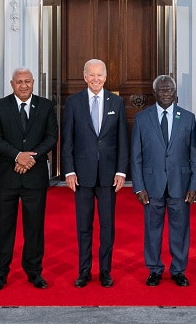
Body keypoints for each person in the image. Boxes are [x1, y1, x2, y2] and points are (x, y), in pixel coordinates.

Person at [0, 67, 58, 290]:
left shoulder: (46, 106)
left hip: (34, 177)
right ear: (12, 84)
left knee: (34, 228)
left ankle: (34, 271)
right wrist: (18, 156)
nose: (24, 85)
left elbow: (52, 137)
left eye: (28, 81)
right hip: (7, 176)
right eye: (19, 82)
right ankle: (0, 272)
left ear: (33, 82)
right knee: (2, 227)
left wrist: (30, 158)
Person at [61, 58, 128, 287]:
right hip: (82, 175)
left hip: (109, 175)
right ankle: (84, 271)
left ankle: (105, 271)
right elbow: (67, 139)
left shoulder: (116, 103)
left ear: (106, 77)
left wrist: (121, 171)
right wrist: (68, 170)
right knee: (84, 225)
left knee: (107, 225)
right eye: (92, 75)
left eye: (100, 75)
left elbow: (122, 140)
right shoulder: (73, 102)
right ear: (85, 76)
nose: (96, 79)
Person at [130, 74, 196, 287]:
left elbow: (195, 154)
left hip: (180, 184)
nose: (166, 93)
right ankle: (154, 269)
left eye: (169, 89)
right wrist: (138, 186)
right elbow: (136, 156)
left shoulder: (187, 118)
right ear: (155, 93)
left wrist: (194, 185)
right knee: (152, 229)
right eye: (162, 90)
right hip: (152, 185)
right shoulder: (143, 118)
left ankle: (178, 270)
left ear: (175, 92)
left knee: (180, 229)